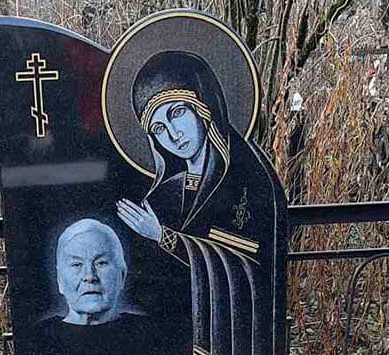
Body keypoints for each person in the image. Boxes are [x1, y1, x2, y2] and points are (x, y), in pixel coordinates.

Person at [115, 50, 285, 265]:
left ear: (204, 107)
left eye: (177, 113)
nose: (173, 135)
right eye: (159, 128)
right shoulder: (160, 198)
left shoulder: (246, 181)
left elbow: (250, 261)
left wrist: (163, 236)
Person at [32, 218, 159, 355]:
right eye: (76, 264)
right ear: (60, 280)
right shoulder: (37, 338)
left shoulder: (150, 333)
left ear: (122, 275)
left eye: (101, 263)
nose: (90, 276)